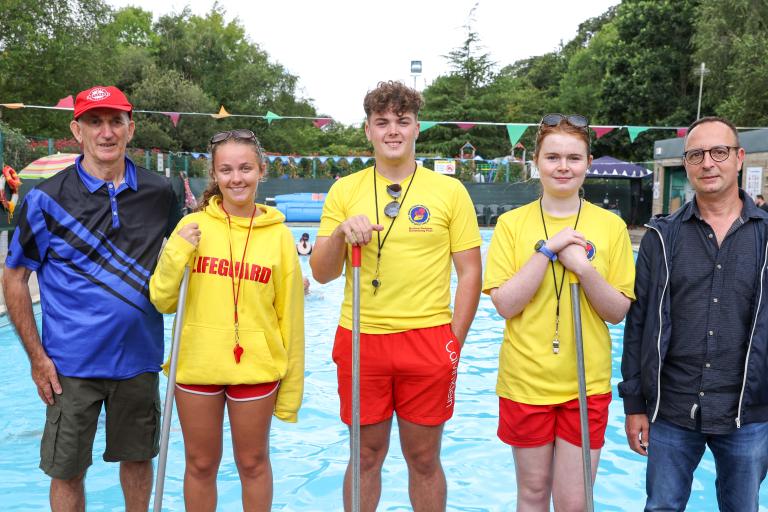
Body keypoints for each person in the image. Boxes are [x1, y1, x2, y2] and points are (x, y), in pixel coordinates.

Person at [1, 85, 180, 511]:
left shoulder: (161, 194)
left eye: (115, 121)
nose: (106, 132)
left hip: (138, 361)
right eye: (94, 122)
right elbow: (14, 278)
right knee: (66, 471)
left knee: (138, 461)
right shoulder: (44, 198)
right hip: (70, 367)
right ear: (76, 130)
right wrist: (37, 358)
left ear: (130, 128)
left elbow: (189, 257)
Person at [310, 80, 482, 512]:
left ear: (416, 128)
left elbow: (470, 272)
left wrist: (452, 344)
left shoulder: (449, 192)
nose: (392, 130)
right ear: (367, 130)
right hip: (361, 340)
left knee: (423, 459)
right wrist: (339, 234)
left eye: (401, 121)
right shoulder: (344, 190)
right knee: (366, 456)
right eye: (382, 122)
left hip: (428, 340)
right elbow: (321, 273)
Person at [483, 113, 635, 511]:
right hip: (525, 381)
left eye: (573, 157)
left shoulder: (611, 226)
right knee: (532, 496)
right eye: (553, 157)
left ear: (588, 162)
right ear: (537, 161)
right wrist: (547, 251)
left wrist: (583, 267)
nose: (563, 166)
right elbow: (505, 304)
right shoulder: (511, 225)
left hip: (585, 385)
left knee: (575, 502)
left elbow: (617, 310)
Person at [149, 129, 304, 511]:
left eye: (246, 168)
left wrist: (291, 393)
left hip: (255, 368)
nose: (237, 178)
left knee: (253, 463)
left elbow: (292, 320)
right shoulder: (193, 227)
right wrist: (177, 250)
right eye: (227, 170)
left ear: (261, 170)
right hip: (198, 365)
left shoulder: (280, 237)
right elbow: (162, 300)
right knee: (201, 464)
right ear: (214, 175)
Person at [620, 116, 768, 511]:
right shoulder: (660, 237)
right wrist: (635, 404)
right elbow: (638, 325)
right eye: (696, 154)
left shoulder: (766, 237)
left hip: (746, 412)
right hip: (671, 408)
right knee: (662, 507)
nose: (708, 163)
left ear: (739, 158)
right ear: (686, 163)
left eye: (719, 152)